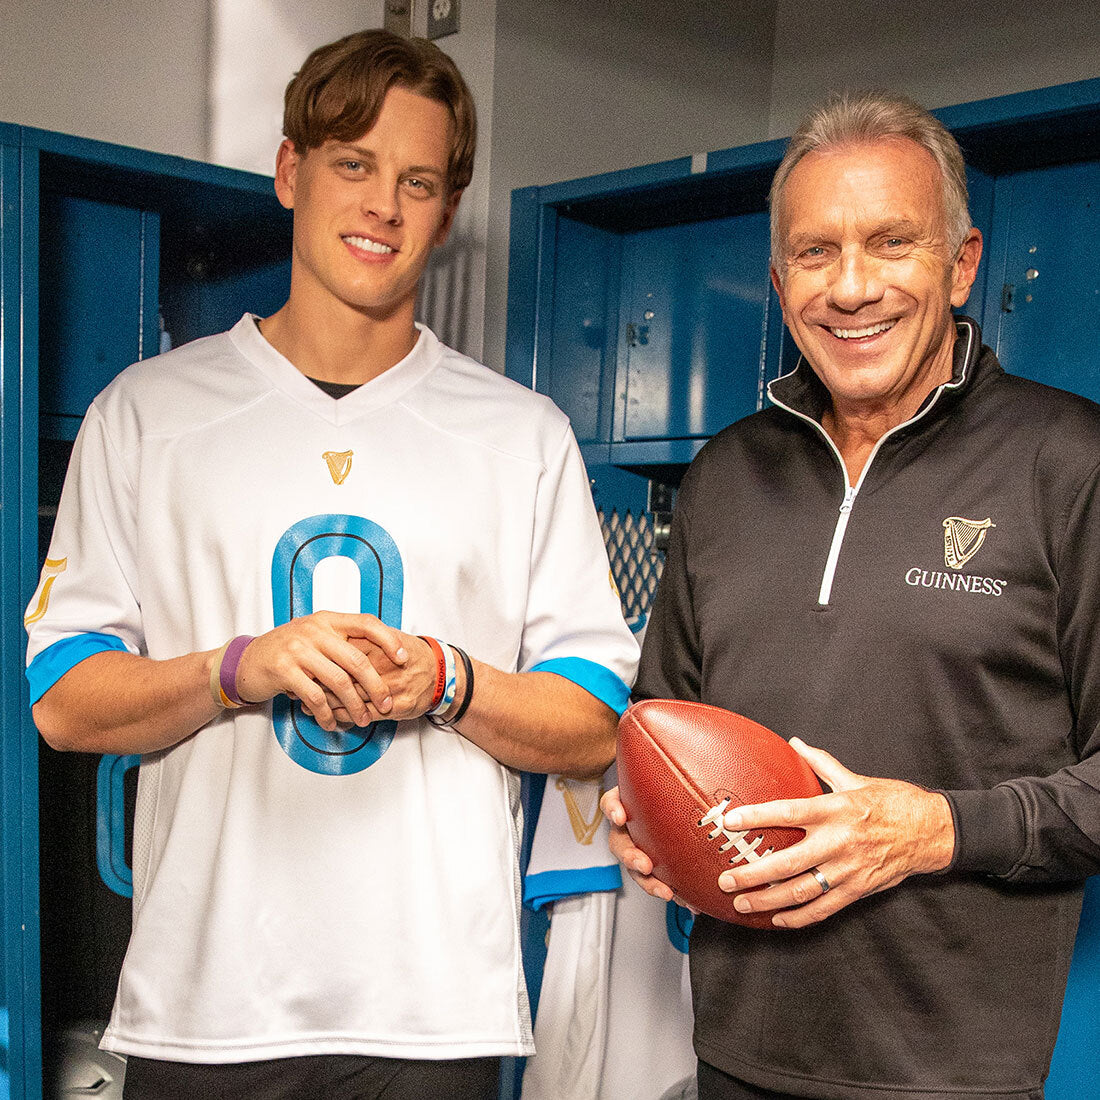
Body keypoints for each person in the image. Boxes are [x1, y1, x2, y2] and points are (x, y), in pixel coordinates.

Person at [25, 29, 638, 1099]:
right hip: (204, 1000)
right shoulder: (146, 412)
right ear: (289, 171)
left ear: (446, 213)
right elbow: (65, 700)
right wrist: (237, 668)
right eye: (353, 165)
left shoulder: (520, 434)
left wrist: (449, 682)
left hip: (432, 1009)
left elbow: (590, 719)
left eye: (417, 181)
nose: (382, 208)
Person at [602, 90, 1100, 1100]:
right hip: (733, 1048)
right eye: (816, 252)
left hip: (952, 1072)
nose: (852, 287)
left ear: (959, 264)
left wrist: (930, 828)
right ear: (780, 278)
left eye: (889, 243)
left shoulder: (1067, 461)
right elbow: (660, 719)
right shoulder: (725, 474)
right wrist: (642, 819)